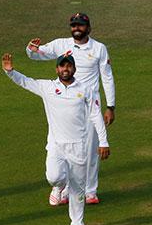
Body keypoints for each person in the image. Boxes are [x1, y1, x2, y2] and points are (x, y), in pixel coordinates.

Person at [2, 53, 110, 225]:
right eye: (62, 66)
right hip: (56, 145)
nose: (65, 69)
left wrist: (103, 141)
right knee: (54, 177)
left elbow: (95, 115)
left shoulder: (86, 89)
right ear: (57, 69)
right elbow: (26, 82)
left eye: (68, 66)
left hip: (79, 146)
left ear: (74, 69)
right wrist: (9, 71)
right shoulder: (48, 87)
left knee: (78, 190)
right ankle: (59, 187)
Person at [26, 12, 115, 205]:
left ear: (88, 28)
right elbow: (37, 54)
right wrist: (31, 49)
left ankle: (90, 191)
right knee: (65, 147)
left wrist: (111, 106)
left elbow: (107, 77)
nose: (77, 28)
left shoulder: (99, 49)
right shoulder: (60, 45)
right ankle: (64, 189)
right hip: (65, 104)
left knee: (91, 150)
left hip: (90, 104)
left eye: (80, 25)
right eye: (74, 25)